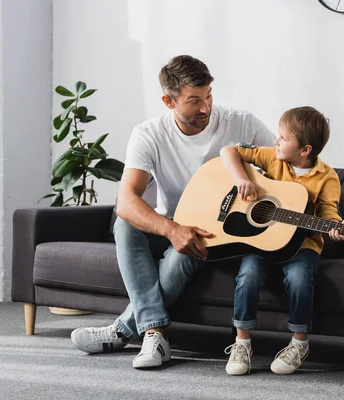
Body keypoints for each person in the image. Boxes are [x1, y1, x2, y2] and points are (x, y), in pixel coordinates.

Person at [70, 55, 276, 368]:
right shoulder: (149, 134)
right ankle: (153, 331)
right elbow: (126, 200)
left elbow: (283, 169)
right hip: (174, 224)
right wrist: (170, 230)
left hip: (220, 232)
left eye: (209, 96)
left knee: (189, 247)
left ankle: (129, 331)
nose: (206, 108)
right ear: (169, 101)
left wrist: (249, 186)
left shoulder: (240, 122)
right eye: (194, 100)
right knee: (125, 224)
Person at [218, 106, 344, 376]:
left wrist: (334, 227)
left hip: (302, 247)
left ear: (305, 150)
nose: (275, 141)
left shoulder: (328, 177)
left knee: (300, 279)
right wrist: (242, 179)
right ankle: (242, 342)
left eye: (283, 138)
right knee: (248, 275)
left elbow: (328, 213)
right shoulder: (273, 158)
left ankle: (299, 343)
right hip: (262, 242)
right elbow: (228, 151)